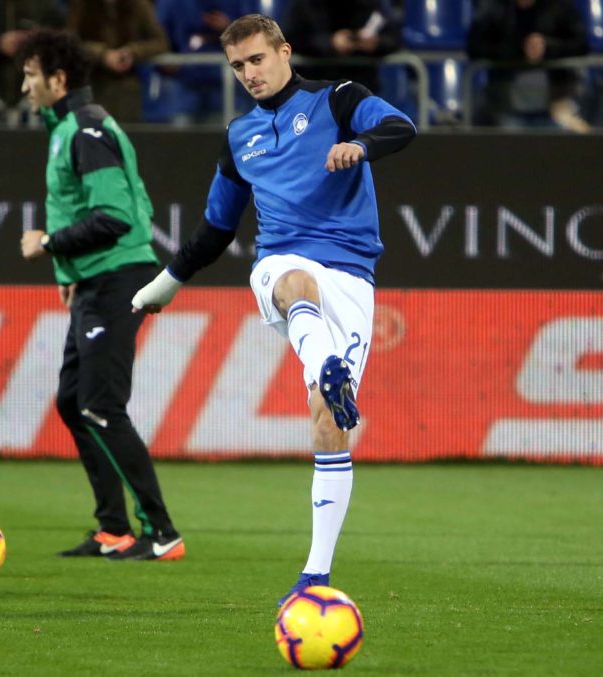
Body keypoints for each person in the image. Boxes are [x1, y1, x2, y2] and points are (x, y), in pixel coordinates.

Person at [130, 14, 415, 601]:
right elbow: (216, 228)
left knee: (329, 421)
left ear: (285, 50)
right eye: (237, 66)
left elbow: (400, 126)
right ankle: (325, 365)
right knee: (291, 279)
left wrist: (359, 145)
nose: (249, 74)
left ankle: (316, 574)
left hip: (351, 278)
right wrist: (169, 280)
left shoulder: (338, 99)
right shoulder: (240, 136)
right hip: (281, 263)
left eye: (257, 59)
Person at [17, 28, 185, 561]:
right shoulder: (69, 127)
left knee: (101, 405)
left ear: (57, 79)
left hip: (118, 276)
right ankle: (113, 529)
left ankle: (162, 533)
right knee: (75, 402)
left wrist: (48, 244)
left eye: (30, 75)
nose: (24, 86)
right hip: (96, 278)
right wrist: (69, 269)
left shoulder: (85, 130)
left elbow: (113, 218)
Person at [466, 0, 590, 132]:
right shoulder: (495, 7)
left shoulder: (559, 6)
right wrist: (517, 49)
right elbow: (475, 47)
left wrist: (548, 47)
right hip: (506, 108)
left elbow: (581, 44)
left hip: (555, 109)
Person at [66, 0, 170, 123]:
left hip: (127, 90)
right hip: (91, 86)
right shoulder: (82, 4)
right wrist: (102, 55)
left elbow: (161, 42)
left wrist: (132, 52)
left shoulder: (139, 5)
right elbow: (70, 43)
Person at [282, 0, 400, 95]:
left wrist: (376, 43)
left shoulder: (369, 4)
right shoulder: (307, 4)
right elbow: (293, 38)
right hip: (316, 85)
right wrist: (330, 43)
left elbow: (394, 38)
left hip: (360, 86)